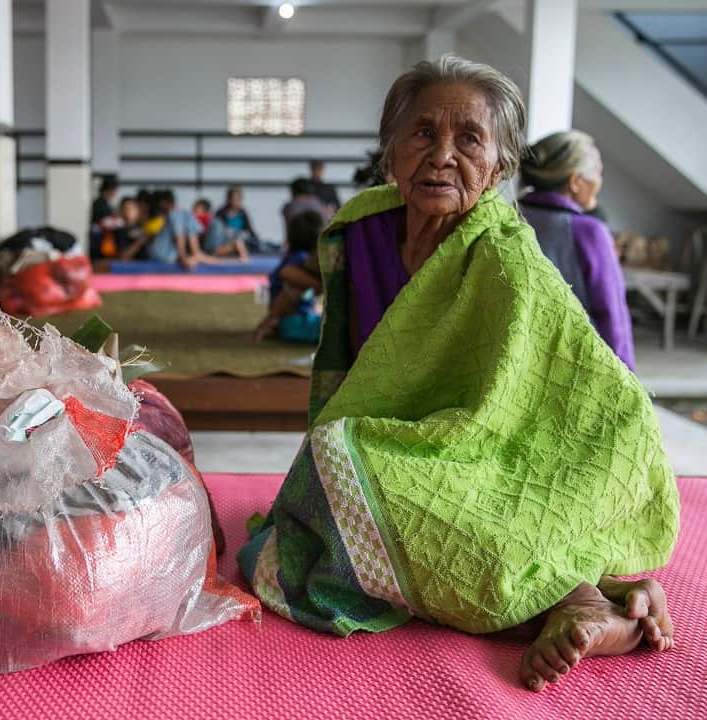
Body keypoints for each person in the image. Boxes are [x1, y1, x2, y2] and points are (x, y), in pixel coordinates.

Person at [239, 55, 677, 694]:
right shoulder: (361, 231)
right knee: (340, 459)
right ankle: (587, 594)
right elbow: (353, 362)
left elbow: (526, 406)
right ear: (389, 152)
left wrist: (450, 452)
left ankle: (579, 598)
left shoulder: (505, 257)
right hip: (416, 441)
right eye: (422, 133)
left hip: (530, 448)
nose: (443, 155)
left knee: (366, 469)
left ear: (499, 167)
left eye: (469, 139)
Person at [519, 130, 634, 369]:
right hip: (575, 366)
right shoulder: (587, 231)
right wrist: (628, 380)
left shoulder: (509, 216)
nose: (599, 183)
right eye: (598, 174)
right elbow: (613, 319)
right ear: (575, 182)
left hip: (519, 360)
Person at [258, 209, 324, 342]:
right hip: (295, 324)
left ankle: (272, 324)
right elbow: (286, 273)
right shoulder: (301, 257)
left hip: (291, 321)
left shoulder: (295, 257)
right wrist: (320, 285)